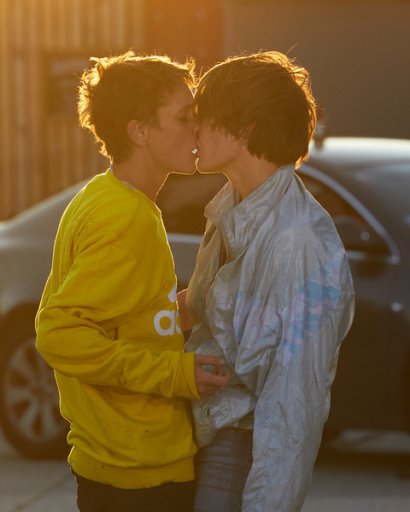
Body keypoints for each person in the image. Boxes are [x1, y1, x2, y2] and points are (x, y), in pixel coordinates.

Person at [35, 50, 230, 512]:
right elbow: (60, 333)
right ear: (139, 131)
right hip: (138, 476)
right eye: (184, 117)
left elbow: (118, 314)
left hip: (123, 464)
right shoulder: (125, 217)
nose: (197, 128)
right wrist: (176, 374)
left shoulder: (104, 197)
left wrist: (171, 310)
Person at [182, 51, 355, 511]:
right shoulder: (229, 210)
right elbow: (200, 313)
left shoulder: (299, 242)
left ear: (243, 130)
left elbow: (294, 404)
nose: (192, 129)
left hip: (241, 451)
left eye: (204, 116)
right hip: (198, 434)